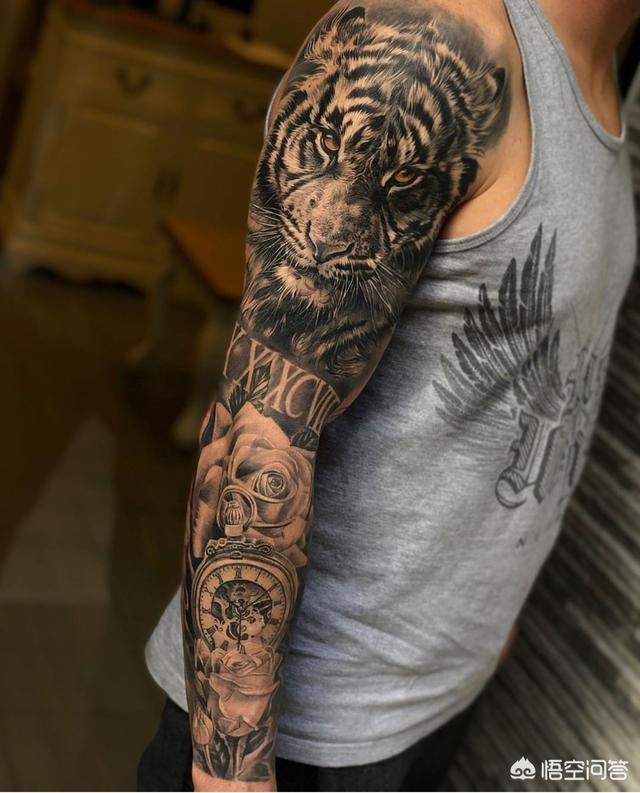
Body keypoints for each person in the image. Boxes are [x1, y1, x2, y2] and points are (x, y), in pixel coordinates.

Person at [138, 0, 638, 790]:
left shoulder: (606, 72)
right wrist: (231, 774)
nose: (329, 226)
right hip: (302, 735)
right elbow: (256, 437)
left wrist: (482, 627)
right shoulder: (433, 36)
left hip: (434, 698)